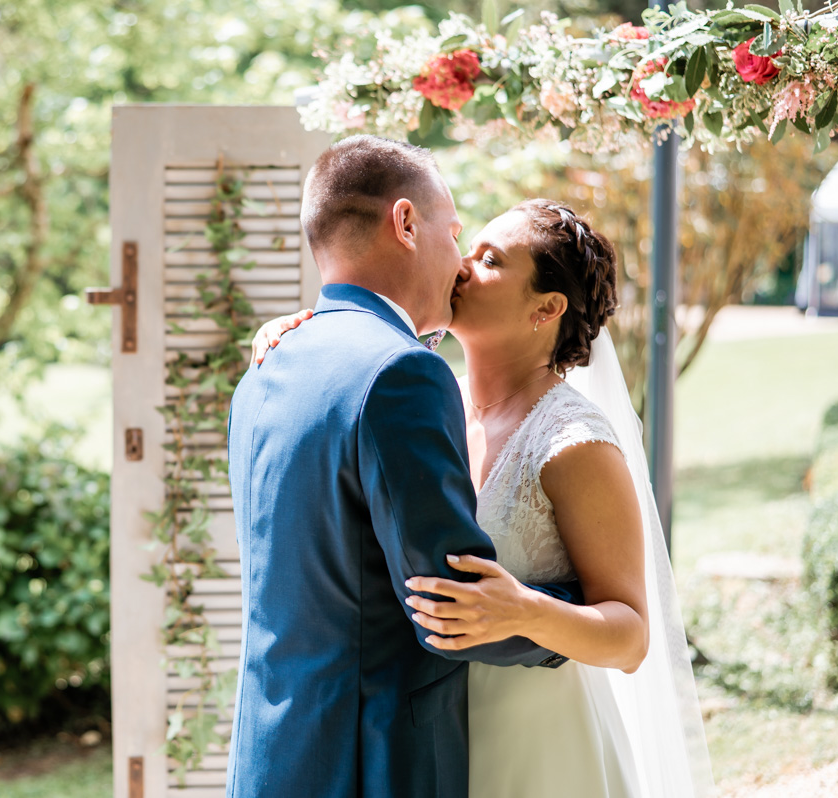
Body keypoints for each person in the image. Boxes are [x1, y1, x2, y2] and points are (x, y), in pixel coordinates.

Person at [252, 200, 715, 796]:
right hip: (423, 737)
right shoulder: (425, 397)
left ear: (546, 309)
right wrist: (304, 336)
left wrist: (523, 609)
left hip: (534, 743)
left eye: (492, 261)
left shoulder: (575, 442)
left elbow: (629, 638)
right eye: (470, 249)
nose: (463, 266)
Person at [225, 136, 583, 798]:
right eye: (454, 233)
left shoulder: (270, 363)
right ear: (406, 223)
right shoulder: (401, 373)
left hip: (270, 755)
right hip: (373, 761)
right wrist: (575, 620)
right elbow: (449, 610)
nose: (461, 265)